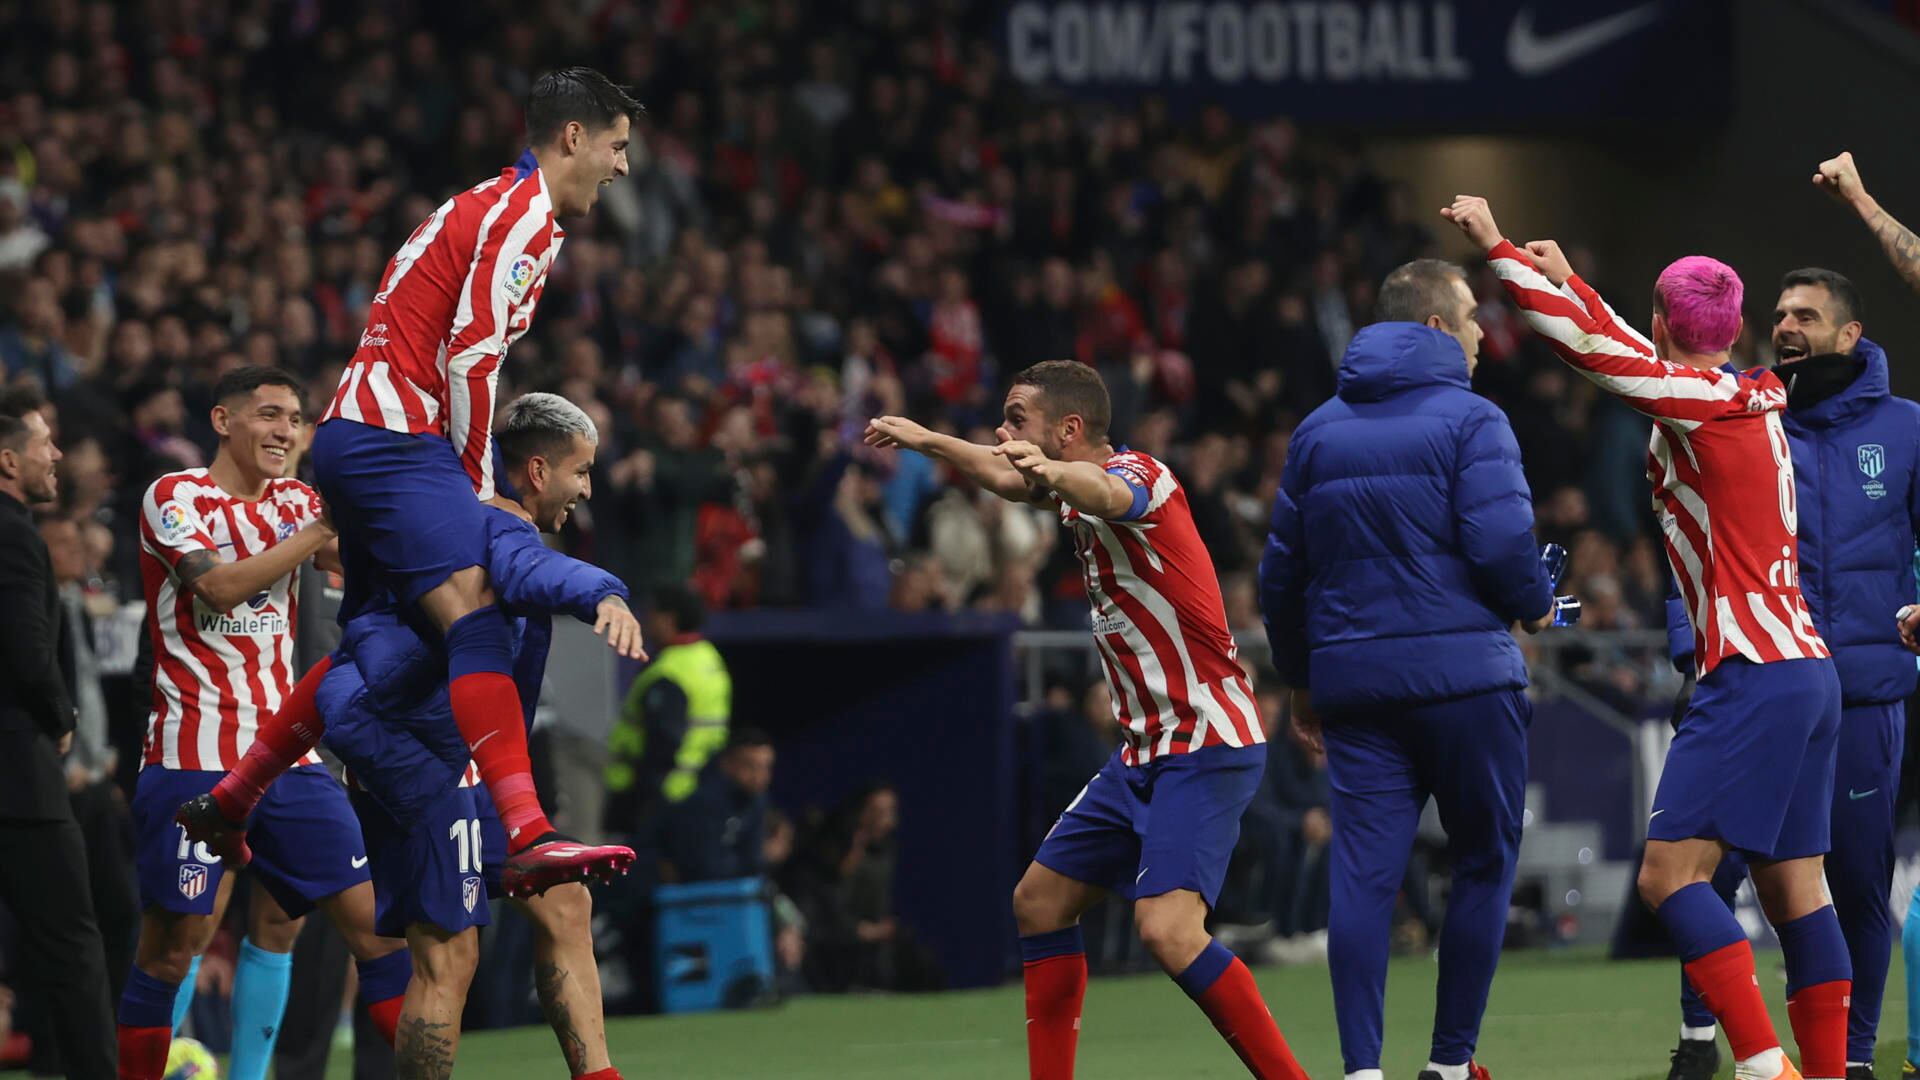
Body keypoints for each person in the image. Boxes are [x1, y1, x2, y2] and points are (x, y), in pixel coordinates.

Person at [178, 67, 645, 898]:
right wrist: (470, 480)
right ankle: (528, 830)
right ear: (572, 137)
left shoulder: (494, 206)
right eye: (615, 147)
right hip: (397, 440)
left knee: (376, 635)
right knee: (475, 607)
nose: (621, 168)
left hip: (360, 437)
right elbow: (469, 359)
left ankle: (233, 795)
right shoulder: (521, 216)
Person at [1444, 194, 1847, 1080]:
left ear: (1666, 320)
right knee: (1796, 891)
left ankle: (1762, 1063)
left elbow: (1602, 357)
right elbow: (1635, 349)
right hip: (1807, 670)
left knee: (1670, 879)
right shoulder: (1752, 391)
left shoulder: (1696, 402)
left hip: (1748, 669)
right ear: (1736, 327)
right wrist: (1574, 281)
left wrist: (1500, 253)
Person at [866, 360, 1306, 1080]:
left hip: (1206, 740)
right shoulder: (1064, 489)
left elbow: (1097, 486)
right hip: (1142, 751)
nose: (1004, 432)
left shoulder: (1142, 480)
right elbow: (1012, 477)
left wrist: (1043, 469)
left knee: (1167, 932)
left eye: (1016, 418)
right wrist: (924, 439)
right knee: (1039, 903)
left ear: (1068, 430)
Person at [1258, 258, 1561, 1080]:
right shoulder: (1475, 420)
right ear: (1433, 328)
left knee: (1362, 879)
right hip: (1467, 679)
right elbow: (1502, 545)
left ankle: (1361, 1072)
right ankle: (1451, 1066)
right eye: (1469, 319)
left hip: (1357, 686)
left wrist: (1301, 676)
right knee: (1484, 862)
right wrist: (1535, 602)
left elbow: (1281, 574)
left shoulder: (1318, 428)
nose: (1479, 337)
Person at [1664, 152, 1920, 1080]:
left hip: (1859, 696)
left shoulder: (1906, 429)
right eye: (1776, 318)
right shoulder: (1746, 415)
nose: (1784, 329)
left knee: (1851, 886)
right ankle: (1702, 1040)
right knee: (1710, 872)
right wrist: (1689, 642)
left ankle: (1845, 1062)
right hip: (1749, 682)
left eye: (1804, 317)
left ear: (1850, 332)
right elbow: (1691, 537)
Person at [317, 393, 635, 1080]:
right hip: (422, 754)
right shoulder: (493, 521)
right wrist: (601, 593)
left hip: (464, 750)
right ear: (540, 469)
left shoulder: (441, 508)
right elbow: (532, 571)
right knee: (448, 954)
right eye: (581, 472)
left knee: (565, 903)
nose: (586, 490)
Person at [116, 367, 412, 1080]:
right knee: (172, 948)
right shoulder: (175, 495)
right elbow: (216, 588)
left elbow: (378, 559)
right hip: (192, 754)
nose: (286, 431)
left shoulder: (299, 501)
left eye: (296, 419)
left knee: (380, 935)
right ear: (224, 421)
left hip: (287, 760)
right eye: (270, 415)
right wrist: (320, 530)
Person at [0, 385, 116, 1079]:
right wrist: (61, 716)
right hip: (19, 775)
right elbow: (26, 648)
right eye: (45, 445)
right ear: (7, 462)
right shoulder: (14, 535)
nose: (57, 457)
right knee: (74, 945)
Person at [605, 584, 733, 831]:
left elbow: (663, 743)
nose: (645, 620)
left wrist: (641, 803)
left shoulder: (670, 673)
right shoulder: (708, 658)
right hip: (695, 790)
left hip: (656, 799)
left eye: (651, 613)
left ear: (668, 618)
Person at [659, 728, 774, 883]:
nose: (758, 776)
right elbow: (704, 870)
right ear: (727, 764)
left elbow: (753, 864)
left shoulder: (756, 801)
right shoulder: (704, 801)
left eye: (765, 767)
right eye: (750, 766)